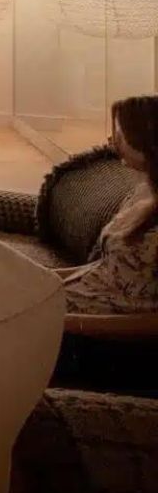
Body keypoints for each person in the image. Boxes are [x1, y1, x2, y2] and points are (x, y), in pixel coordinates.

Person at [52, 94, 158, 392]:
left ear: (147, 142)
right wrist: (40, 275)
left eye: (121, 134)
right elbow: (108, 268)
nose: (112, 141)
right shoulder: (142, 193)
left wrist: (68, 323)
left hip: (110, 344)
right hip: (69, 313)